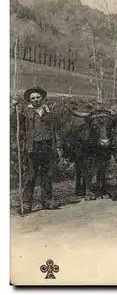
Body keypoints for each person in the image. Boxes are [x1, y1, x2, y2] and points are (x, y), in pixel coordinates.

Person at [11, 87, 62, 215]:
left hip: (48, 147)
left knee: (47, 175)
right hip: (32, 149)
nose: (35, 100)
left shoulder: (49, 112)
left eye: (37, 97)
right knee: (30, 176)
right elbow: (14, 121)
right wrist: (13, 107)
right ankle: (27, 204)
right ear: (29, 99)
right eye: (33, 98)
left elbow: (55, 129)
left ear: (42, 98)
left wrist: (58, 146)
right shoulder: (25, 113)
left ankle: (47, 201)